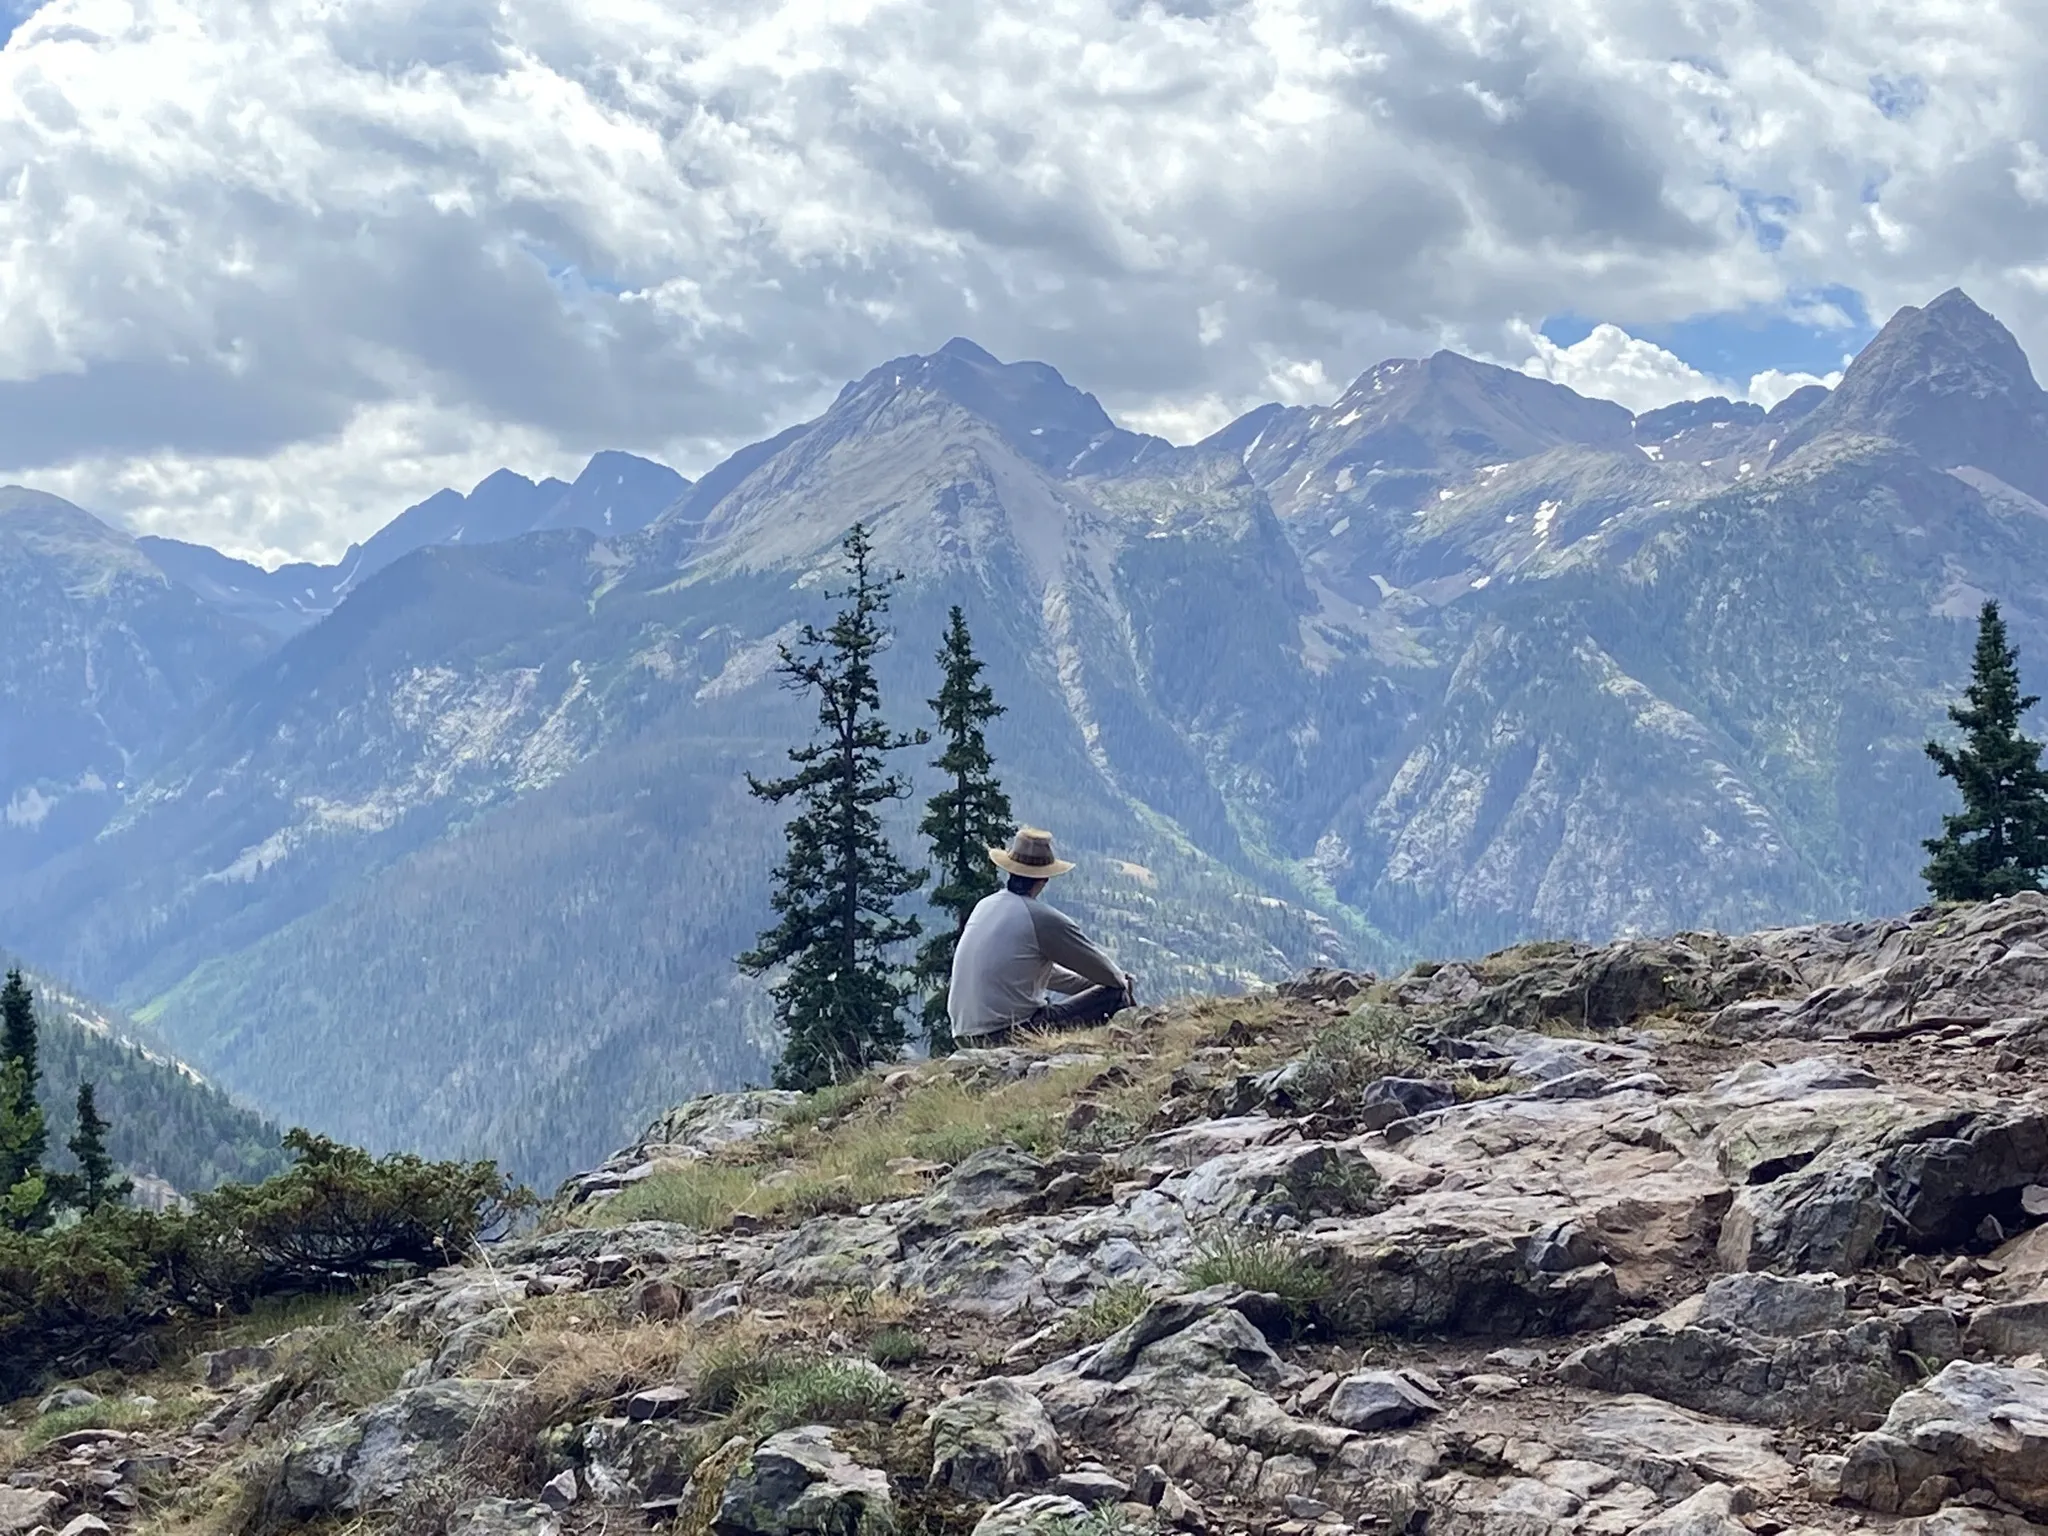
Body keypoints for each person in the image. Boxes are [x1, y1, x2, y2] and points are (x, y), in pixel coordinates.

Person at [948, 827, 1136, 1047]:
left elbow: (1031, 971)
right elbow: (1113, 978)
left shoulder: (986, 905)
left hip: (964, 1036)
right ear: (1045, 878)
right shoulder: (1042, 919)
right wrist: (1122, 982)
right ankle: (1136, 1051)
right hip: (1007, 1035)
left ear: (1010, 870)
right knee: (1117, 994)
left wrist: (1089, 985)